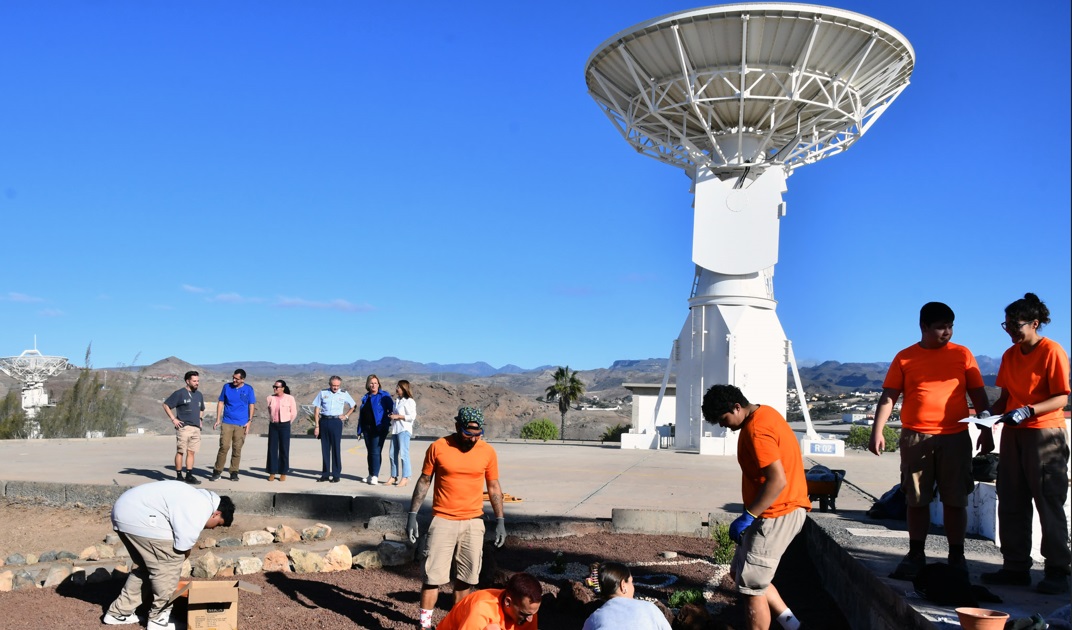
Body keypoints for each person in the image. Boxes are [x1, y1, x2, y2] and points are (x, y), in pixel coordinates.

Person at [867, 302, 990, 579]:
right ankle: (915, 554)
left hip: (955, 436)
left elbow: (979, 395)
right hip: (916, 437)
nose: (947, 332)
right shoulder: (905, 357)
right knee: (916, 498)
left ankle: (957, 557)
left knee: (955, 499)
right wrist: (877, 431)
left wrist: (986, 430)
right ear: (923, 326)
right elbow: (889, 396)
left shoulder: (963, 354)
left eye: (951, 327)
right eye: (940, 327)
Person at [981, 293, 1071, 595]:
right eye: (1006, 325)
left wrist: (1030, 410)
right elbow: (1006, 398)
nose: (1010, 331)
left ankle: (1057, 570)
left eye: (1015, 325)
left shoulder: (1051, 351)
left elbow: (1061, 397)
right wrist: (988, 415)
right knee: (1011, 500)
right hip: (1014, 433)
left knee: (1048, 501)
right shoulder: (1010, 355)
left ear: (1034, 323)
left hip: (1044, 434)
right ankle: (1015, 566)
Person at [701, 384, 808, 630]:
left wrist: (749, 515)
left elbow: (777, 480)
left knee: (752, 587)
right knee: (740, 572)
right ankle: (794, 626)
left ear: (737, 407)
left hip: (777, 512)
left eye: (723, 419)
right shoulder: (764, 413)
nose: (723, 425)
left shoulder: (757, 430)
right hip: (769, 511)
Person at [407, 407, 508, 630]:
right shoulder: (438, 447)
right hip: (443, 520)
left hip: (473, 522)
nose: (473, 439)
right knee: (432, 577)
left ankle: (456, 622)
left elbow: (493, 486)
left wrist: (500, 520)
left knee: (467, 578)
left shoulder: (487, 452)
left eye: (478, 434)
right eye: (468, 433)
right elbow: (424, 481)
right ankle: (424, 624)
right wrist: (412, 514)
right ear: (457, 427)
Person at [102, 480, 235, 630]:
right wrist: (176, 561)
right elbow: (182, 547)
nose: (213, 528)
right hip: (141, 518)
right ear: (217, 513)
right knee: (169, 565)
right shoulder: (201, 507)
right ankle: (159, 619)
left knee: (145, 567)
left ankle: (119, 612)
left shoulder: (196, 497)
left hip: (124, 512)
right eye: (218, 524)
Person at [435, 572, 542, 630]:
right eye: (524, 614)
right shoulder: (481, 609)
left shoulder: (529, 612)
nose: (530, 619)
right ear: (508, 602)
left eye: (533, 613)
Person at [581, 563, 671, 630]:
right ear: (623, 585)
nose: (633, 587)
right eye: (631, 582)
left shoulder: (593, 619)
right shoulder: (649, 608)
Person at [211, 369, 256, 482]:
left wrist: (249, 421)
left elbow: (251, 405)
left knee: (237, 449)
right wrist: (218, 419)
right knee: (224, 446)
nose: (234, 380)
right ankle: (217, 471)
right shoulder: (226, 387)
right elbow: (221, 402)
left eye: (237, 379)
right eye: (233, 378)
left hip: (241, 423)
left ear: (243, 379)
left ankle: (234, 472)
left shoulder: (249, 389)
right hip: (227, 422)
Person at [162, 370, 205, 485]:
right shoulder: (180, 393)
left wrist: (200, 419)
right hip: (184, 427)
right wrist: (173, 419)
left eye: (198, 381)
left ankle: (189, 475)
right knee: (181, 451)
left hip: (196, 428)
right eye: (194, 381)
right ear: (187, 381)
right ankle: (179, 476)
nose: (197, 383)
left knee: (191, 452)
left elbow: (202, 409)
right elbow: (166, 405)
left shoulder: (199, 395)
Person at [311, 376, 357, 483]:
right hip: (324, 421)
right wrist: (317, 426)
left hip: (336, 422)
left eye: (337, 386)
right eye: (333, 385)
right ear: (329, 384)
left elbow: (353, 405)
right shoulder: (323, 393)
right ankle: (325, 474)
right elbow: (316, 410)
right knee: (325, 449)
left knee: (336, 448)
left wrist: (346, 416)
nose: (335, 388)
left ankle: (336, 475)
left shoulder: (344, 393)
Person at [357, 374, 394, 485]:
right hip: (366, 428)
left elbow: (391, 410)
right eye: (371, 383)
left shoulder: (384, 395)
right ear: (368, 384)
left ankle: (375, 476)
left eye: (375, 383)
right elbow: (361, 415)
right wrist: (359, 430)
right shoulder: (366, 397)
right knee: (370, 452)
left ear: (379, 384)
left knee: (375, 451)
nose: (373, 385)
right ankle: (370, 474)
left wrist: (385, 423)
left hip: (378, 428)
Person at [386, 379, 416, 487]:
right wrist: (392, 416)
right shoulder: (397, 401)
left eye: (399, 387)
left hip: (404, 430)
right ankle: (393, 476)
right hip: (395, 430)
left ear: (404, 388)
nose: (397, 389)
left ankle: (405, 477)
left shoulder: (410, 401)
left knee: (404, 454)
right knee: (392, 453)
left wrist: (398, 416)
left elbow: (412, 416)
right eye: (397, 387)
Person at [266, 379, 297, 482]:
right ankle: (272, 472)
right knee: (272, 448)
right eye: (274, 387)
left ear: (283, 388)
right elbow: (269, 410)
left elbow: (293, 413)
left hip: (285, 425)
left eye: (277, 387)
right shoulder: (270, 398)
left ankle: (283, 472)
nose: (275, 388)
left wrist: (287, 422)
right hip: (273, 425)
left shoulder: (290, 398)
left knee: (284, 448)